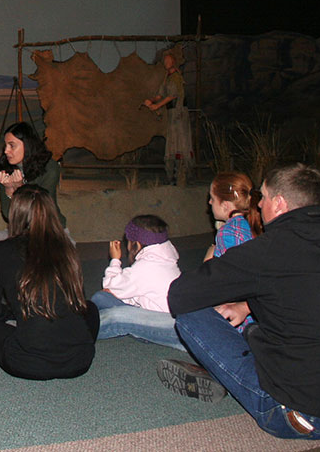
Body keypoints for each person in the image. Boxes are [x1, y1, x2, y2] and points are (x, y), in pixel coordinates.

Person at [162, 163, 320, 439]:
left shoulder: (268, 250)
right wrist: (246, 305)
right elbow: (310, 294)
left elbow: (181, 294)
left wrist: (210, 260)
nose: (258, 206)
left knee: (192, 316)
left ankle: (226, 375)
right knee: (259, 326)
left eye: (264, 198)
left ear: (279, 203)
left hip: (302, 415)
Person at [0, 184, 98, 380]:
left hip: (26, 362)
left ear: (16, 214)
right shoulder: (68, 249)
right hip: (80, 360)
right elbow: (79, 304)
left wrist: (14, 312)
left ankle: (18, 332)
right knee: (91, 308)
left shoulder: (2, 250)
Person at [91, 215, 184, 351]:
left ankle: (77, 334)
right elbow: (129, 290)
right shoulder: (163, 256)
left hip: (164, 325)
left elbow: (110, 286)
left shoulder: (147, 266)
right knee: (100, 298)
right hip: (156, 312)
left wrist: (115, 260)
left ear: (137, 244)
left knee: (116, 317)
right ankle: (88, 320)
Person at [203, 171, 263, 330]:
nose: (209, 202)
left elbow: (219, 282)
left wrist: (212, 251)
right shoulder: (253, 223)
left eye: (212, 198)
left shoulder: (229, 233)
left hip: (239, 322)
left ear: (225, 205)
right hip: (258, 314)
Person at [0, 121, 64, 227]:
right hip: (19, 230)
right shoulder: (3, 167)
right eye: (6, 145)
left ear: (27, 145)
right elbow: (8, 215)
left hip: (49, 228)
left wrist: (20, 190)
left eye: (12, 146)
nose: (6, 151)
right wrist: (9, 190)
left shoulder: (49, 168)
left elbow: (41, 212)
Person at [142, 52, 192, 185]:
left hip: (179, 113)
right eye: (165, 61)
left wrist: (157, 105)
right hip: (172, 114)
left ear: (173, 62)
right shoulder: (167, 78)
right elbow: (161, 94)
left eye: (168, 61)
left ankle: (180, 175)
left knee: (179, 143)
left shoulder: (176, 77)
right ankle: (173, 176)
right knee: (173, 143)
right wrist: (151, 101)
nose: (166, 63)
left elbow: (173, 95)